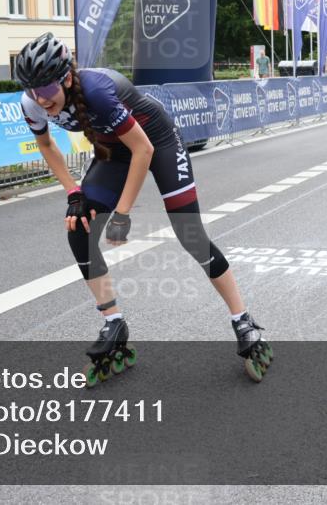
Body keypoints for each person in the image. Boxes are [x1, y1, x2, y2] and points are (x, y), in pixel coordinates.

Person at [15, 33, 272, 383]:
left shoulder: (96, 93)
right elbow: (45, 144)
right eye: (33, 92)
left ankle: (243, 319)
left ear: (67, 78)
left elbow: (144, 150)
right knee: (80, 230)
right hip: (114, 152)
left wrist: (122, 214)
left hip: (158, 141)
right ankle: (113, 323)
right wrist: (73, 192)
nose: (41, 100)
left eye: (46, 90)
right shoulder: (31, 102)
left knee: (191, 235)